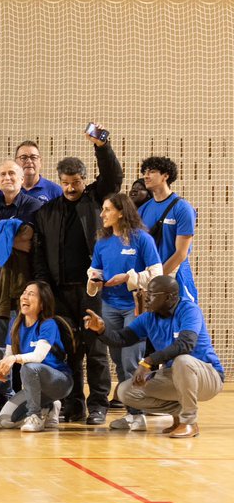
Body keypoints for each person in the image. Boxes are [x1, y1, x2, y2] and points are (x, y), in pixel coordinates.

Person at [31, 127, 122, 424]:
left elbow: (113, 176)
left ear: (85, 180)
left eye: (76, 182)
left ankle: (98, 405)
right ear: (60, 182)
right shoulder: (47, 212)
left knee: (95, 349)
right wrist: (45, 288)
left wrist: (101, 147)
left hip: (93, 290)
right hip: (59, 291)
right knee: (69, 350)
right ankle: (73, 404)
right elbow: (40, 255)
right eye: (66, 183)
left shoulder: (97, 200)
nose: (71, 188)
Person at [84, 276, 223, 438]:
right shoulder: (148, 317)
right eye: (147, 292)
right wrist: (101, 330)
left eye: (153, 293)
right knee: (126, 391)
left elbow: (185, 345)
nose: (147, 297)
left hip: (208, 377)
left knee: (183, 360)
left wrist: (148, 362)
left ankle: (190, 422)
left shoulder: (189, 310)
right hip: (176, 375)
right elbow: (121, 338)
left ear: (169, 297)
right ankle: (179, 414)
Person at [0, 160, 41, 404]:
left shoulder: (33, 205)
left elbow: (30, 243)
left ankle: (29, 393)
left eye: (12, 173)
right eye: (2, 174)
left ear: (22, 179)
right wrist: (11, 233)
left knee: (24, 338)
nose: (7, 177)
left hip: (25, 283)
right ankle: (3, 393)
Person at [87, 193, 162, 408]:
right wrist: (94, 280)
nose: (102, 214)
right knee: (118, 360)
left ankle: (138, 414)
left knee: (130, 361)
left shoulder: (142, 239)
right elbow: (95, 270)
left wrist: (129, 278)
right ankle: (131, 410)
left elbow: (157, 274)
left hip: (135, 307)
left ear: (121, 212)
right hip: (109, 305)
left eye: (107, 209)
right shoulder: (102, 243)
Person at [0, 282, 74, 433]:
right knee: (5, 420)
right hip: (35, 389)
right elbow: (8, 356)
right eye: (24, 292)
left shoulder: (48, 324)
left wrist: (14, 359)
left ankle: (35, 416)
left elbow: (38, 356)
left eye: (31, 294)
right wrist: (3, 370)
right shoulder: (15, 324)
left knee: (29, 367)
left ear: (42, 303)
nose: (25, 296)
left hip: (59, 382)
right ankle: (50, 406)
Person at [138, 155, 198, 303]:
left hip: (176, 277)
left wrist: (158, 279)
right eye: (145, 172)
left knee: (181, 322)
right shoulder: (143, 210)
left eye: (151, 171)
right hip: (151, 278)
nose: (146, 176)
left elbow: (181, 253)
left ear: (166, 175)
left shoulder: (182, 208)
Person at [14, 139, 64, 204]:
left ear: (40, 162)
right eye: (23, 157)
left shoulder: (56, 191)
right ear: (15, 162)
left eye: (33, 157)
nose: (29, 161)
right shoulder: (7, 191)